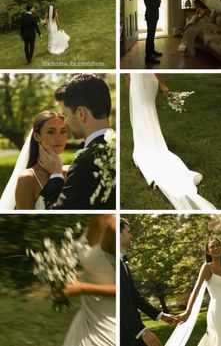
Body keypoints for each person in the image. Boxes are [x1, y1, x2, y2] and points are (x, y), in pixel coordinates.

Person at [126, 73, 216, 210]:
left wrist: (161, 83)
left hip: (142, 80)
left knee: (145, 112)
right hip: (139, 80)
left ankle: (148, 141)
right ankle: (148, 140)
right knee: (144, 112)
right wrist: (161, 84)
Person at [38, 74, 116, 210]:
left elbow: (56, 212)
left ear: (81, 113)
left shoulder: (86, 162)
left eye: (66, 115)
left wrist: (56, 174)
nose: (65, 122)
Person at [53, 214, 116, 346]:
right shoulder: (95, 218)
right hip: (87, 316)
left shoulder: (113, 228)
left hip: (109, 324)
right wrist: (63, 281)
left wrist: (81, 288)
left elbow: (125, 286)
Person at [167, 238, 221, 346]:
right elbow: (196, 290)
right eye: (212, 246)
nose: (216, 248)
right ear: (208, 251)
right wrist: (188, 311)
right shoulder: (207, 267)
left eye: (218, 245)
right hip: (216, 312)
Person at [120, 218, 177, 346]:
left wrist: (161, 315)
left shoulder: (123, 264)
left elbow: (136, 298)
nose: (132, 236)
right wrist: (142, 331)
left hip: (130, 332)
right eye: (128, 232)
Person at [0, 111, 67, 210]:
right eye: (51, 132)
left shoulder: (71, 172)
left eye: (63, 131)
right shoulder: (28, 178)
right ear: (36, 136)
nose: (59, 137)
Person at [144, 0, 163, 65]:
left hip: (153, 15)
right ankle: (148, 56)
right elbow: (148, 3)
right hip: (151, 16)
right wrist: (159, 1)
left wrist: (157, 1)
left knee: (152, 35)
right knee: (150, 35)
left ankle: (152, 52)